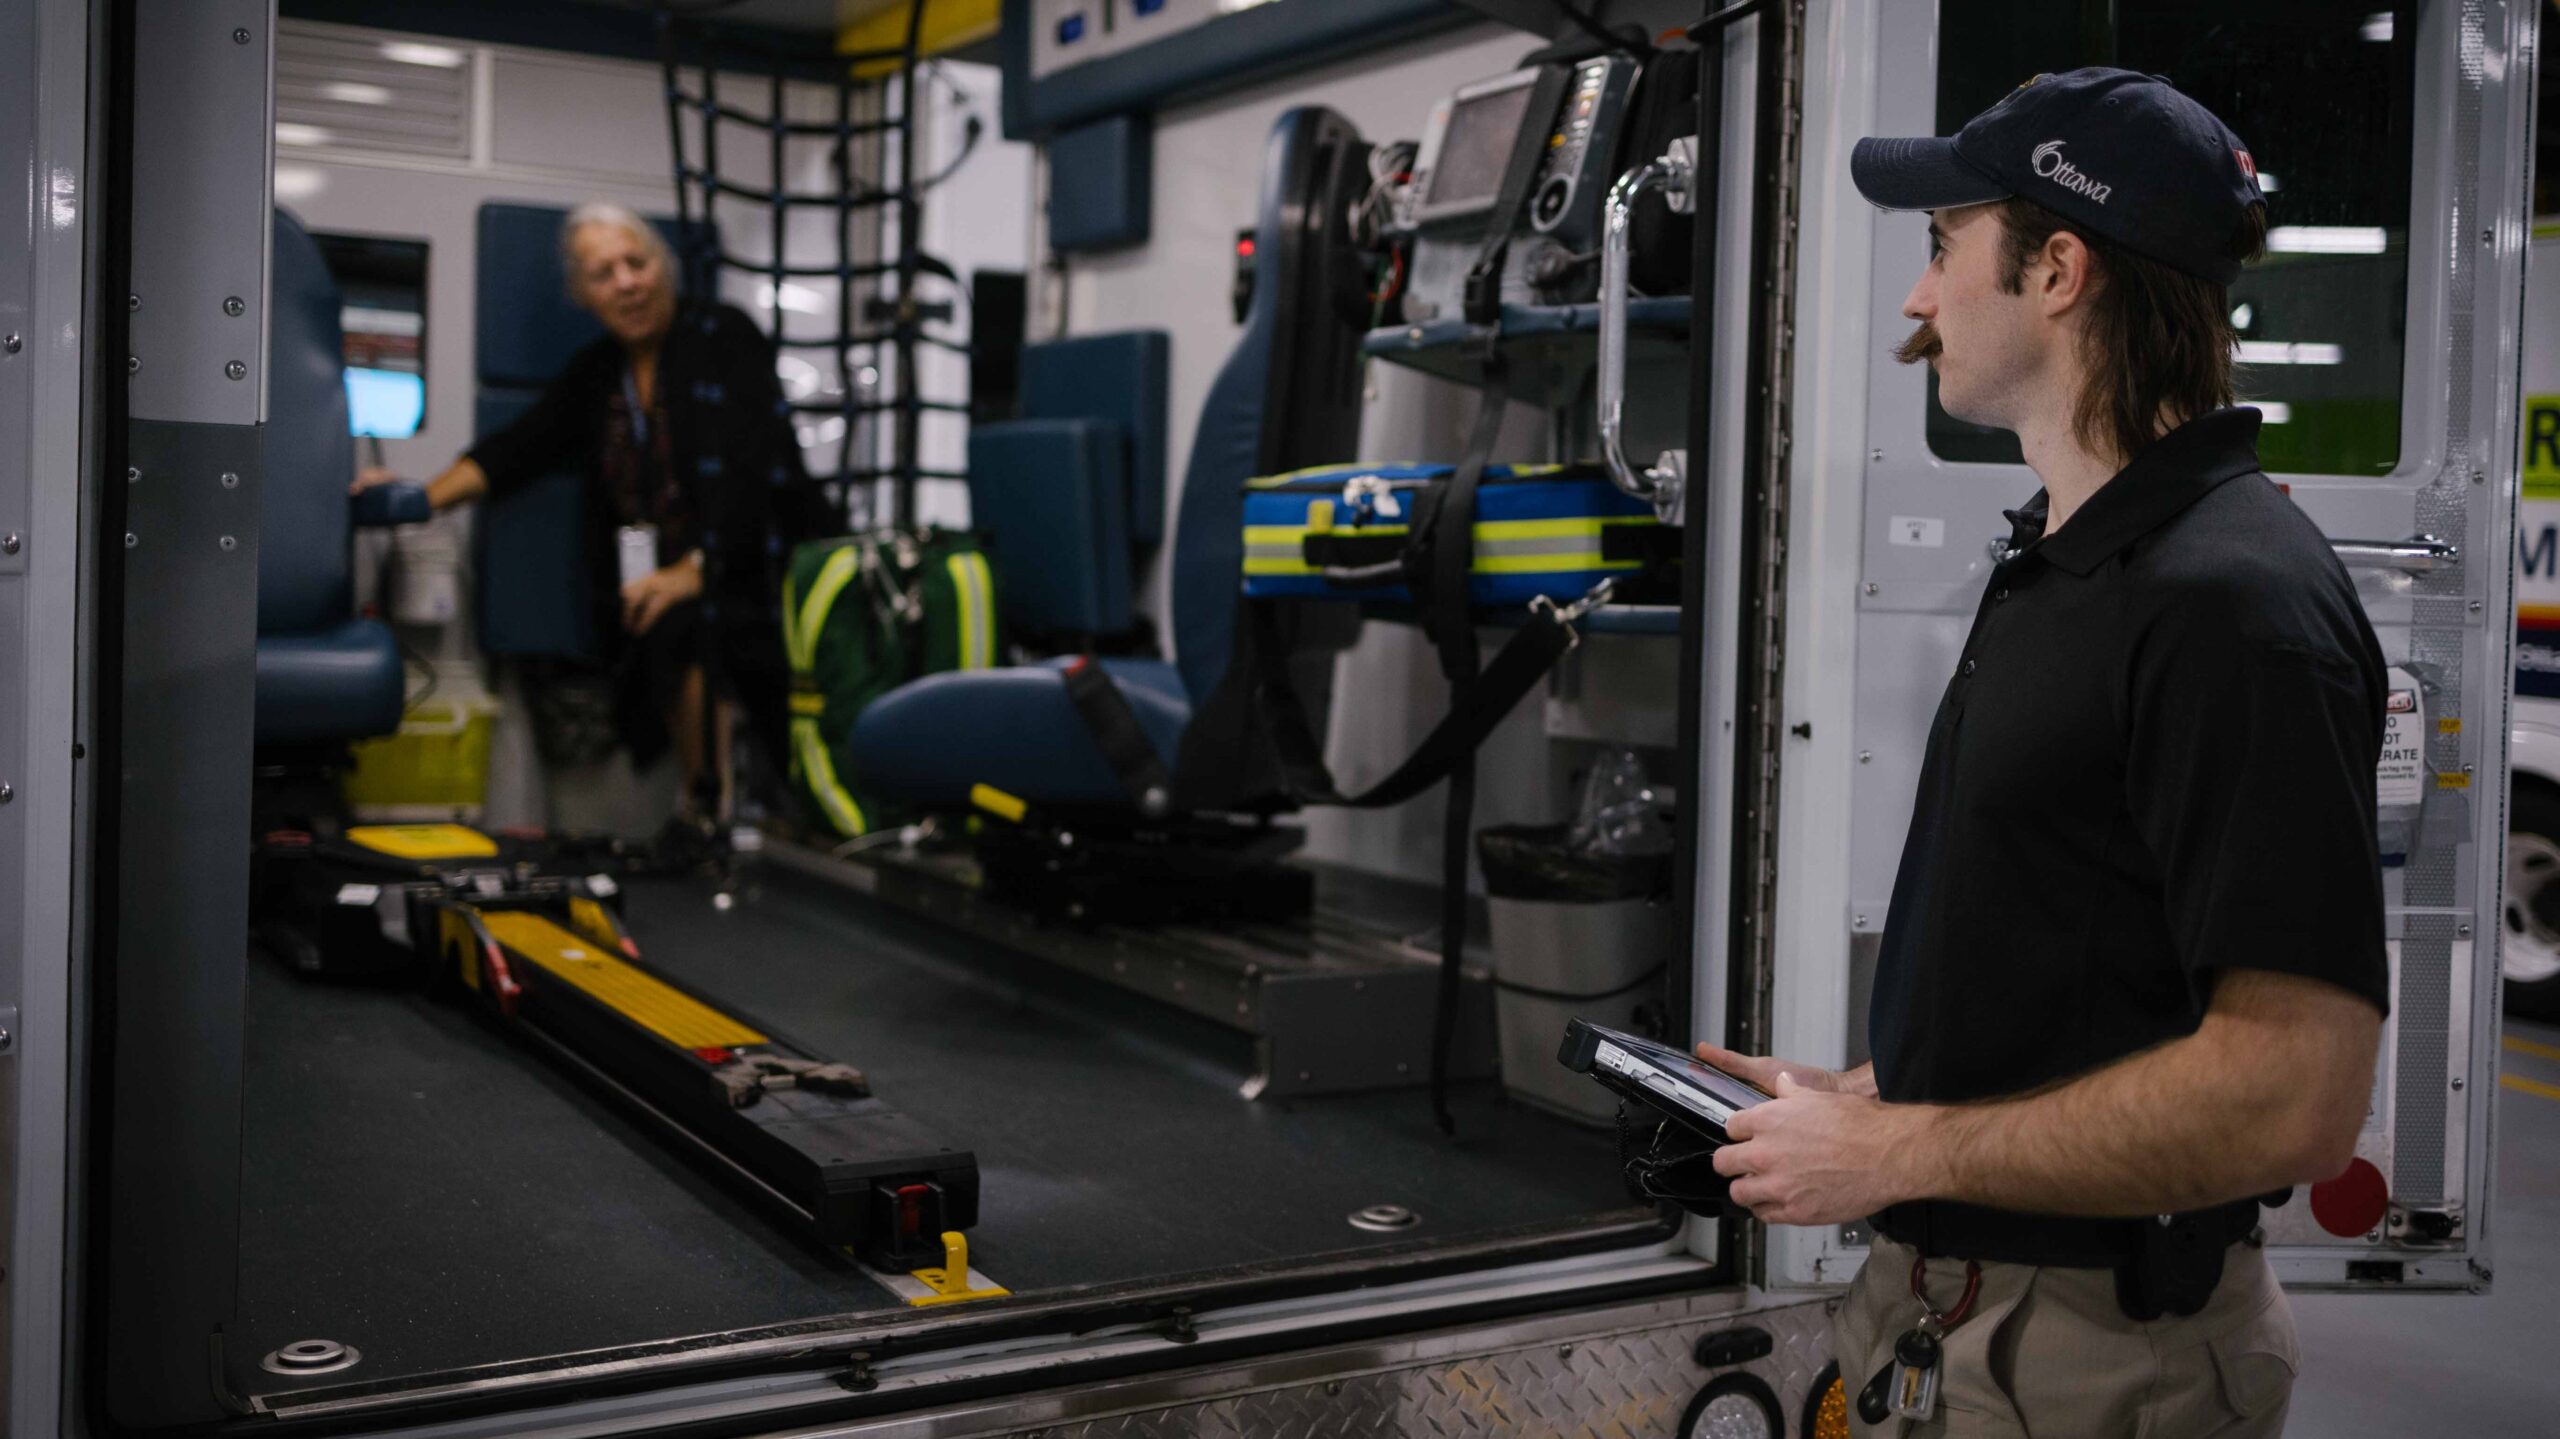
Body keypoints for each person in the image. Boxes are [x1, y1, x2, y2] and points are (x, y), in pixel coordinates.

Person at [1697, 71, 2389, 1436]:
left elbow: (2296, 1089)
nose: (1917, 297)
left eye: (1943, 246)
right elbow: (2096, 963)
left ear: (2058, 267)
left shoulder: (2234, 605)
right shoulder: (2073, 561)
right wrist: (1871, 1099)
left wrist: (1902, 1147)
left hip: (2088, 1360)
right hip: (1954, 1320)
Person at [356, 202, 835, 822]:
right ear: (584, 293)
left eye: (636, 262)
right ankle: (704, 811)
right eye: (604, 273)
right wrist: (417, 497)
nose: (626, 282)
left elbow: (762, 469)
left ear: (662, 267)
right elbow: (514, 451)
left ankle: (713, 812)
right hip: (656, 586)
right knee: (663, 626)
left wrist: (699, 570)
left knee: (694, 624)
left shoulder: (724, 335)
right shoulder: (599, 372)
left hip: (759, 568)